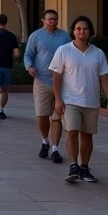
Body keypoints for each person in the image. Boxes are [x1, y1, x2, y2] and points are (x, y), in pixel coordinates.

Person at [50, 16, 108, 183]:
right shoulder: (64, 50)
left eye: (85, 29)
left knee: (87, 136)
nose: (81, 32)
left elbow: (104, 78)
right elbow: (56, 77)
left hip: (91, 101)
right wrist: (58, 99)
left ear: (90, 32)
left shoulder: (98, 53)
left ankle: (84, 167)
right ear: (73, 31)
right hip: (70, 100)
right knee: (71, 132)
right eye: (78, 28)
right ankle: (73, 165)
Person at [25, 9, 71, 163]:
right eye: (49, 19)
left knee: (57, 117)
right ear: (43, 20)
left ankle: (55, 148)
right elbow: (28, 54)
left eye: (55, 19)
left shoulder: (65, 36)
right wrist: (29, 66)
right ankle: (45, 141)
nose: (52, 21)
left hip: (61, 82)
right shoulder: (36, 36)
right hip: (41, 80)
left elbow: (70, 55)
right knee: (42, 116)